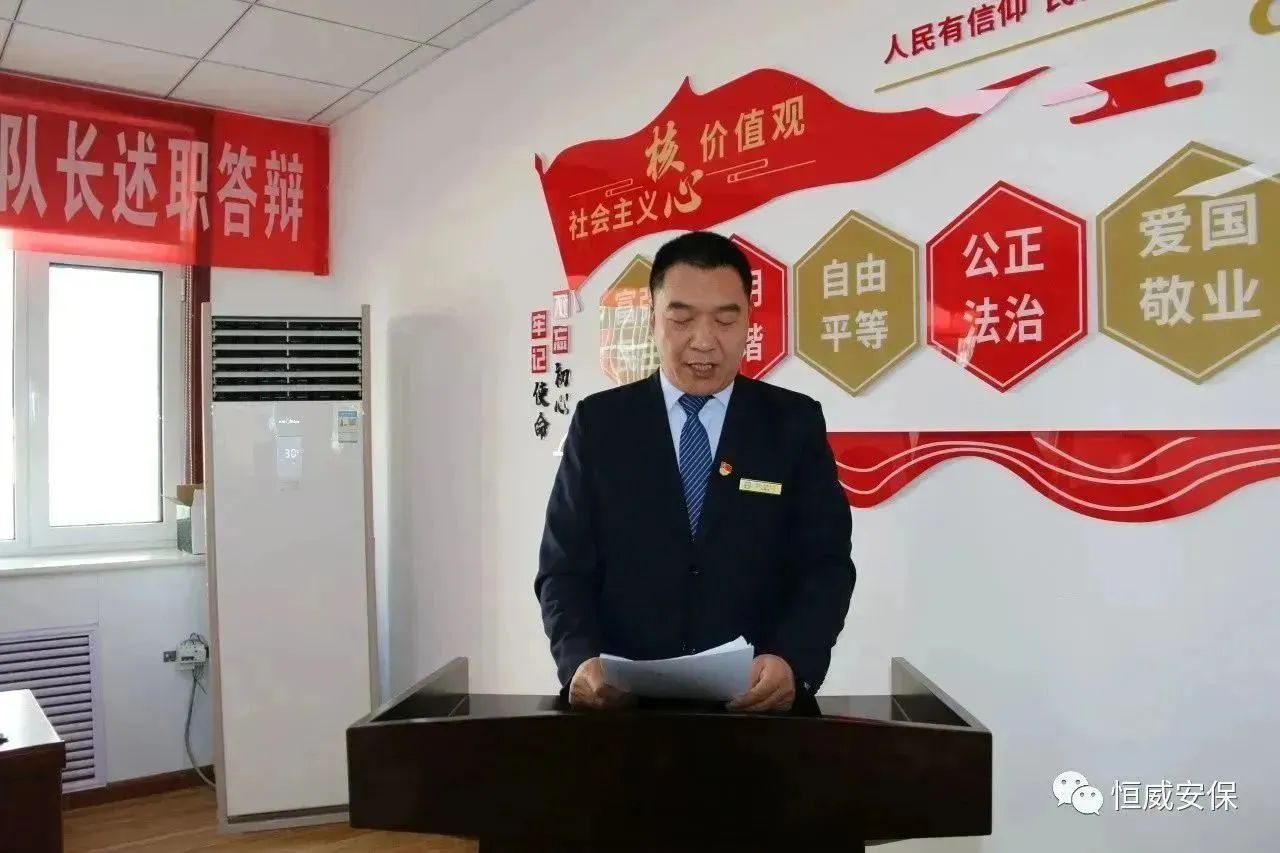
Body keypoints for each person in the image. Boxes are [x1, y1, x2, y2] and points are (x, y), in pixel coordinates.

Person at [534, 230, 855, 712]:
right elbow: (563, 568)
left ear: (748, 321)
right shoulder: (601, 424)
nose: (704, 341)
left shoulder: (792, 424)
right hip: (622, 711)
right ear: (652, 320)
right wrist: (579, 660)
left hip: (757, 709)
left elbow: (825, 565)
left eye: (725, 320)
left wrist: (792, 660)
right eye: (681, 319)